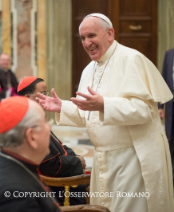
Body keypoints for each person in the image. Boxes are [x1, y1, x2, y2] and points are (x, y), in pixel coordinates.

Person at [36, 13, 174, 212]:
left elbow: (144, 111)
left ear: (110, 34)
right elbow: (89, 114)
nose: (87, 42)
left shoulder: (132, 59)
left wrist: (104, 105)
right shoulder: (88, 70)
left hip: (132, 159)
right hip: (103, 161)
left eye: (91, 35)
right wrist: (63, 107)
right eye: (83, 38)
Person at [0, 96, 60, 212]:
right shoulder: (15, 198)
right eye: (45, 122)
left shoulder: (12, 163)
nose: (49, 127)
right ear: (31, 136)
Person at [17, 76, 86, 205]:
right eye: (43, 94)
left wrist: (73, 156)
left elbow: (58, 145)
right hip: (53, 190)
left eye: (46, 93)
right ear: (27, 97)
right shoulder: (29, 125)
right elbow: (49, 165)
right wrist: (76, 161)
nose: (46, 98)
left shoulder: (35, 118)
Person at [158, 48, 174, 184]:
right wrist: (159, 106)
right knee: (170, 139)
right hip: (170, 107)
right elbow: (163, 81)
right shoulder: (169, 54)